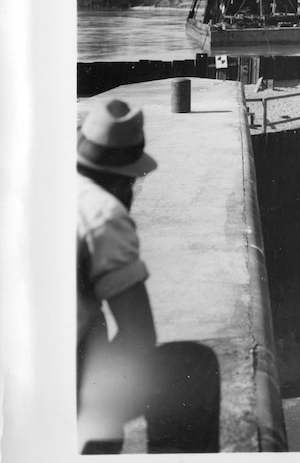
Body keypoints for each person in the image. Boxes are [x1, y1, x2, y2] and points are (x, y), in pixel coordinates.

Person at [78, 99, 219, 454]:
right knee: (193, 367)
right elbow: (140, 335)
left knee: (92, 327)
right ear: (123, 179)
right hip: (60, 391)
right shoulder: (103, 214)